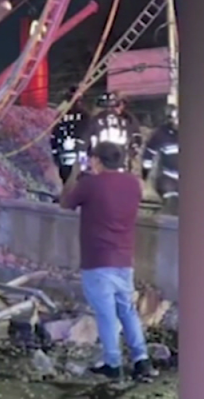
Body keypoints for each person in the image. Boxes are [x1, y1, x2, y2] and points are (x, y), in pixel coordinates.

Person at [59, 142, 156, 383]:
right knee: (127, 310)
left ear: (96, 160)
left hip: (98, 259)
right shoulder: (133, 184)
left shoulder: (89, 184)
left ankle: (112, 363)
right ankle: (141, 360)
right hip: (124, 259)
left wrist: (73, 174)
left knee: (105, 314)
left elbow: (65, 203)